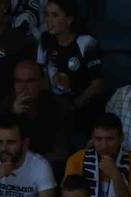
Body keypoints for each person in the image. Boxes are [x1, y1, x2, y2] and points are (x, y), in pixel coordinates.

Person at [35, 0, 104, 133]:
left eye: (55, 15)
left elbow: (98, 85)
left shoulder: (86, 43)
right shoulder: (45, 42)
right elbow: (41, 77)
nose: (49, 20)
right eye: (47, 15)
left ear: (69, 19)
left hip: (84, 110)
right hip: (55, 109)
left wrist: (73, 105)